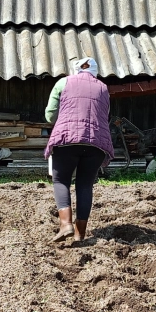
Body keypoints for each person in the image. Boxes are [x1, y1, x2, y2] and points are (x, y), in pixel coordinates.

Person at [45, 57, 113, 244]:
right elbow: (104, 115)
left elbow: (50, 115)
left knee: (61, 180)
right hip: (96, 143)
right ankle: (79, 234)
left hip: (67, 139)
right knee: (85, 185)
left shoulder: (63, 82)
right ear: (95, 72)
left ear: (75, 70)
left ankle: (65, 224)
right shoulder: (103, 88)